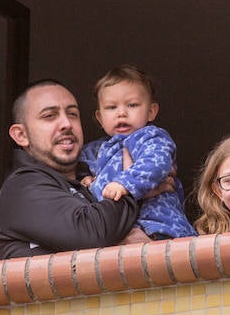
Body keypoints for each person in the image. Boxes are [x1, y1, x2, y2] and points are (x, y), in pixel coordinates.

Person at [0, 79, 145, 258]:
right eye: (49, 116)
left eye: (72, 114)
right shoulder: (20, 187)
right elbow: (91, 233)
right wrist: (133, 185)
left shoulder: (95, 176)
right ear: (21, 135)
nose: (66, 124)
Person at [79, 65, 196, 241]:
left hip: (158, 225)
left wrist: (125, 183)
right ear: (100, 117)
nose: (121, 113)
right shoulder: (94, 150)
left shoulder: (150, 137)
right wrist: (84, 179)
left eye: (132, 105)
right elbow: (80, 167)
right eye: (111, 107)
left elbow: (156, 164)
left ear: (151, 111)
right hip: (121, 229)